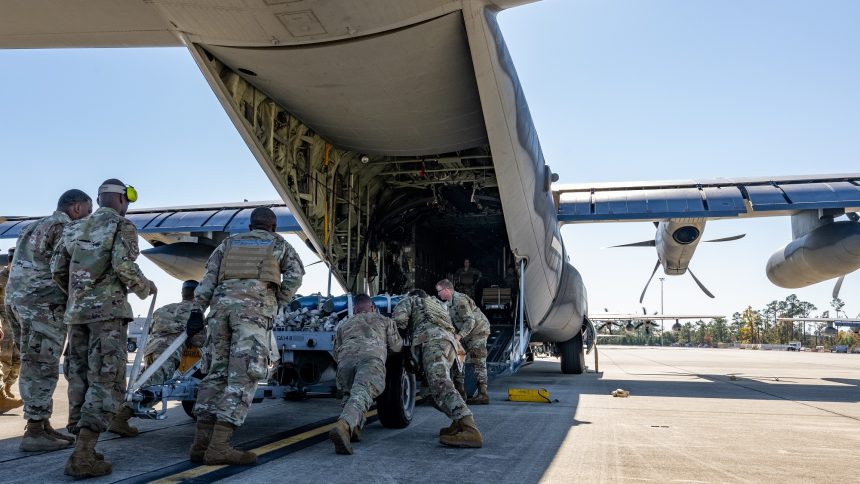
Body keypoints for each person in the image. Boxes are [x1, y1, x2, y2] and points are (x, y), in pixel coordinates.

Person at [52, 179, 156, 478]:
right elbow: (124, 265)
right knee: (106, 379)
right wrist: (145, 287)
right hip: (107, 316)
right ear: (123, 199)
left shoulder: (73, 227)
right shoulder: (122, 226)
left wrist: (79, 296)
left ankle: (81, 444)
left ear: (98, 200)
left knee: (79, 377)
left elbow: (57, 270)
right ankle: (83, 455)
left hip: (77, 315)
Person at [190, 207, 304, 466]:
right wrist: (275, 301)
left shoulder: (228, 244)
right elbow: (295, 276)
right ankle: (219, 448)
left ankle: (200, 445)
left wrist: (197, 310)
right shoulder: (278, 244)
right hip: (252, 315)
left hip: (219, 312)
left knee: (215, 374)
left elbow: (208, 279)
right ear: (273, 227)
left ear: (250, 226)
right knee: (243, 376)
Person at [6, 190, 92, 451]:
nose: (88, 217)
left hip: (17, 301)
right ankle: (34, 431)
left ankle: (42, 425)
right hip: (43, 305)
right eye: (87, 211)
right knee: (42, 366)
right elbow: (65, 268)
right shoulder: (65, 228)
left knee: (32, 363)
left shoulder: (32, 227)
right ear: (76, 208)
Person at [109, 279, 205, 437]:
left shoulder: (163, 309)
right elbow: (199, 341)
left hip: (151, 350)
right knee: (156, 388)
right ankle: (121, 419)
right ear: (198, 293)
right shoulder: (195, 312)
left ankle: (116, 414)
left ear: (182, 293)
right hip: (167, 353)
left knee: (141, 383)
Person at [391, 289, 482, 448]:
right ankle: (458, 422)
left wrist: (403, 350)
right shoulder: (438, 304)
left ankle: (470, 430)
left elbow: (399, 322)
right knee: (428, 392)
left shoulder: (410, 300)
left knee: (440, 384)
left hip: (433, 341)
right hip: (451, 345)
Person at [329, 293, 402, 455]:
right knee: (361, 394)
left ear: (355, 310)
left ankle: (353, 429)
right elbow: (396, 347)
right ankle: (343, 425)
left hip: (345, 362)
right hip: (370, 359)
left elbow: (336, 352)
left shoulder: (344, 324)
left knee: (349, 394)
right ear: (373, 307)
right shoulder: (385, 320)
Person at [436, 278, 491, 405]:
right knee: (458, 358)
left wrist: (459, 336)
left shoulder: (460, 300)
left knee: (478, 360)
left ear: (446, 290)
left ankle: (483, 394)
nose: (438, 294)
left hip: (477, 332)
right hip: (465, 334)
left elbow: (470, 321)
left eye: (439, 291)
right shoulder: (448, 303)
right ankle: (460, 392)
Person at [0, 248, 22, 409]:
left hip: (19, 326)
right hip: (4, 327)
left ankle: (8, 388)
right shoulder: (1, 279)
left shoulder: (23, 278)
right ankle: (2, 395)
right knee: (4, 360)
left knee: (17, 360)